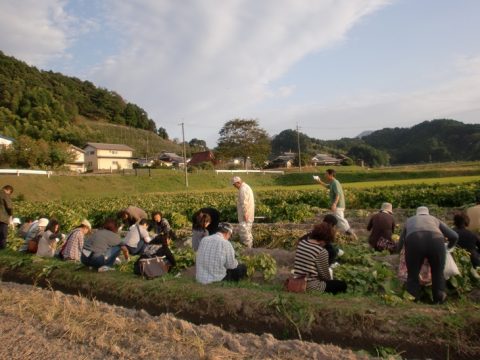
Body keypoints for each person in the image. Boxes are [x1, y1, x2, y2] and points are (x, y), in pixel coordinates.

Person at [397, 206, 458, 304]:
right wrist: (448, 247)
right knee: (438, 273)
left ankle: (412, 299)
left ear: (417, 214)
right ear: (428, 213)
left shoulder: (409, 221)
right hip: (436, 242)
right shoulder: (434, 220)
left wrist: (397, 251)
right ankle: (439, 299)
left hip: (414, 242)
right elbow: (454, 236)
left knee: (413, 274)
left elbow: (401, 242)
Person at [293, 222, 347, 294]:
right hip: (310, 285)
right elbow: (324, 276)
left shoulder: (302, 243)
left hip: (297, 280)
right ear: (325, 239)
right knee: (342, 285)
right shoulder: (321, 251)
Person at [314, 169, 357, 240]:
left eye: (326, 174)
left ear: (330, 175)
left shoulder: (335, 183)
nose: (325, 175)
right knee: (336, 221)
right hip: (338, 205)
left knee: (340, 221)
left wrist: (334, 204)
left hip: (338, 205)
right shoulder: (332, 182)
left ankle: (352, 235)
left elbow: (338, 194)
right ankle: (336, 236)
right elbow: (327, 186)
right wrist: (319, 181)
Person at [232, 176, 255, 248]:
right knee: (248, 232)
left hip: (245, 215)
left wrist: (245, 213)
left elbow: (244, 203)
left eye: (235, 185)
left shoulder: (243, 189)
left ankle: (247, 251)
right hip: (249, 214)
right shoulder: (247, 187)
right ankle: (250, 248)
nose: (235, 187)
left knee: (244, 233)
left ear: (238, 182)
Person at [0, 185, 14, 249]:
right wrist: (10, 215)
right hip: (2, 218)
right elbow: (9, 207)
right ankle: (2, 249)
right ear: (8, 190)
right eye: (10, 193)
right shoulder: (4, 194)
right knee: (3, 234)